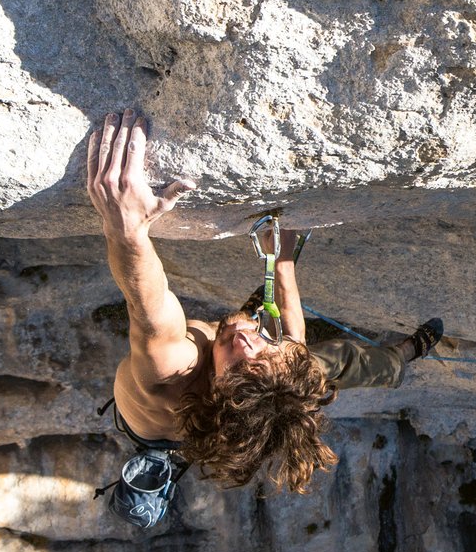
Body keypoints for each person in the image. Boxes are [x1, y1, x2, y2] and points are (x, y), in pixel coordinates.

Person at [87, 109, 443, 501]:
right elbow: (293, 337)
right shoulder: (276, 366)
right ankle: (401, 359)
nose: (246, 343)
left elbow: (149, 310)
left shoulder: (172, 371)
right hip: (246, 388)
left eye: (238, 365)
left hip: (160, 424)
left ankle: (397, 357)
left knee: (258, 343)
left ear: (218, 390)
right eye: (261, 351)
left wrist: (129, 230)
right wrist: (284, 256)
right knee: (335, 361)